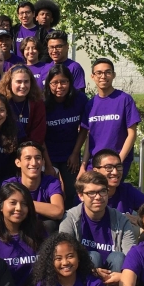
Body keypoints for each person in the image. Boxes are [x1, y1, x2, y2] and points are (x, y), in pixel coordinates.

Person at [60, 170, 137, 286]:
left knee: (119, 258)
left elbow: (133, 257)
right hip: (84, 279)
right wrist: (91, 270)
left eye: (102, 191)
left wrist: (121, 276)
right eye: (91, 193)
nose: (98, 197)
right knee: (91, 256)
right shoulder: (70, 219)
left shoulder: (120, 219)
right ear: (80, 196)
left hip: (113, 279)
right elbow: (64, 256)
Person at [80, 58, 141, 180]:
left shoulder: (124, 100)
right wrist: (84, 165)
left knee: (109, 195)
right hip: (95, 164)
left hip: (117, 161)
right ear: (92, 76)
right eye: (99, 73)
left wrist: (117, 163)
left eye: (107, 72)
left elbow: (132, 134)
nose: (103, 76)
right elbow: (89, 137)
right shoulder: (90, 104)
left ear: (113, 75)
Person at [43, 64, 88, 209]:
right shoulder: (42, 102)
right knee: (50, 191)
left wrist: (75, 153)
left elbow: (84, 128)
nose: (59, 86)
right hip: (48, 154)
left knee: (72, 190)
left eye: (63, 82)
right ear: (48, 84)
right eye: (54, 83)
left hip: (70, 154)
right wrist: (48, 165)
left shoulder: (79, 99)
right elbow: (39, 136)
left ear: (70, 82)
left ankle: (71, 221)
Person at [4, 142, 64, 233]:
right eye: (28, 158)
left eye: (38, 158)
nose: (34, 163)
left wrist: (25, 202)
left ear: (43, 162)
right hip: (18, 229)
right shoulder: (10, 184)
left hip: (42, 230)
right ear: (18, 162)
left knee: (51, 225)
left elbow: (58, 211)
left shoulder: (51, 182)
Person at [92, 148, 144, 229]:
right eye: (108, 167)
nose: (115, 172)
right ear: (95, 171)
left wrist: (141, 220)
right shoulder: (88, 193)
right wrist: (121, 218)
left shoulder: (126, 190)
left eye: (118, 166)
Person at [0, 65, 46, 144]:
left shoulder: (37, 103)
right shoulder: (1, 102)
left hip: (28, 150)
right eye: (18, 82)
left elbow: (38, 134)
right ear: (9, 83)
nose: (23, 86)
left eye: (26, 81)